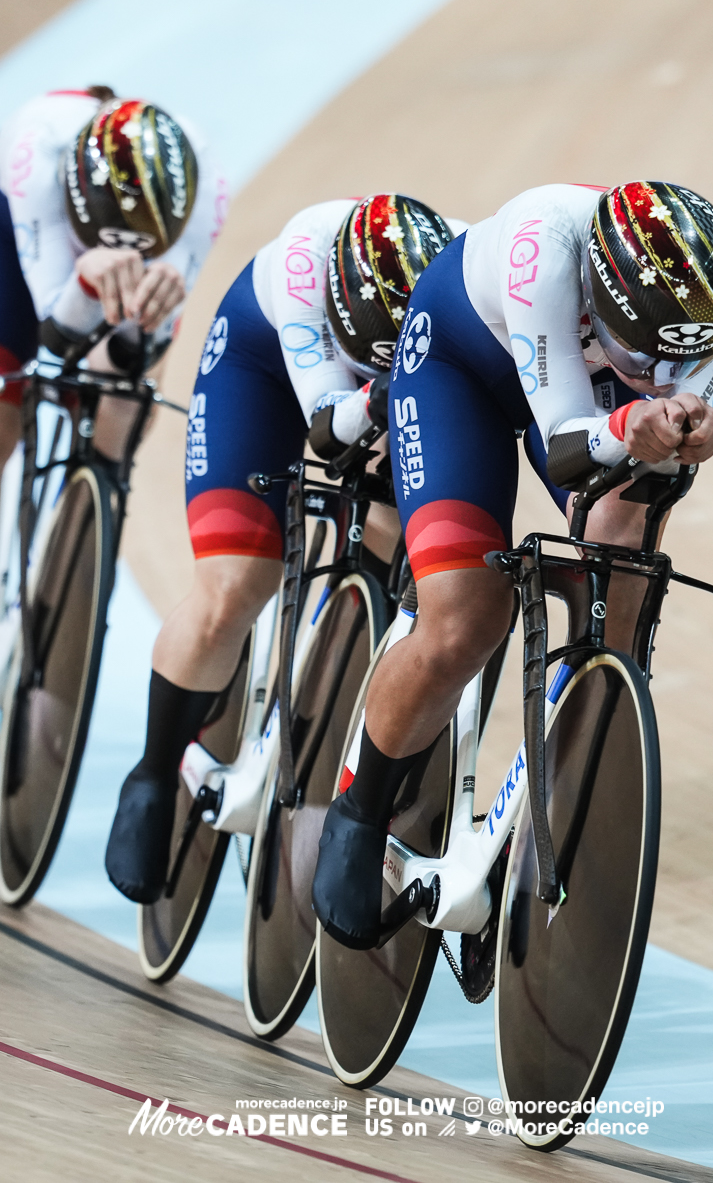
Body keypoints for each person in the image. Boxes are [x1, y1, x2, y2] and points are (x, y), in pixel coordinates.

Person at [310, 180, 713, 948]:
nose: (660, 371)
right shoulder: (542, 250)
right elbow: (564, 439)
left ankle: (559, 809)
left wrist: (684, 429)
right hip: (465, 364)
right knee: (466, 618)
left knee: (623, 561)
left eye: (675, 362)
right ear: (598, 300)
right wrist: (632, 417)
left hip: (593, 386)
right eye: (644, 356)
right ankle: (358, 809)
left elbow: (667, 438)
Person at [101, 194, 459, 902]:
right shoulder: (301, 271)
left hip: (402, 379)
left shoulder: (460, 277)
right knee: (234, 586)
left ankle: (350, 727)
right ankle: (152, 770)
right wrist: (373, 401)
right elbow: (328, 430)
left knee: (398, 548)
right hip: (262, 363)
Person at [0, 89, 226, 785]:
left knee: (122, 413)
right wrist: (88, 280)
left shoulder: (204, 188)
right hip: (7, 244)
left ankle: (74, 571)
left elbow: (129, 352)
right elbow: (53, 339)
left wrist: (133, 325)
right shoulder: (36, 158)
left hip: (105, 268)